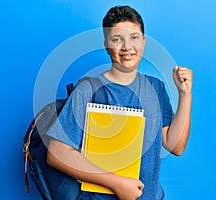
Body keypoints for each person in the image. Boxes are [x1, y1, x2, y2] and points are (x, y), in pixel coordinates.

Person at [46, 5, 192, 200]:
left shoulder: (156, 87)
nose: (126, 47)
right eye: (117, 39)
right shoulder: (88, 89)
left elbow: (175, 146)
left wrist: (185, 94)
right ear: (107, 44)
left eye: (134, 37)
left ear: (143, 42)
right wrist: (116, 182)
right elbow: (56, 153)